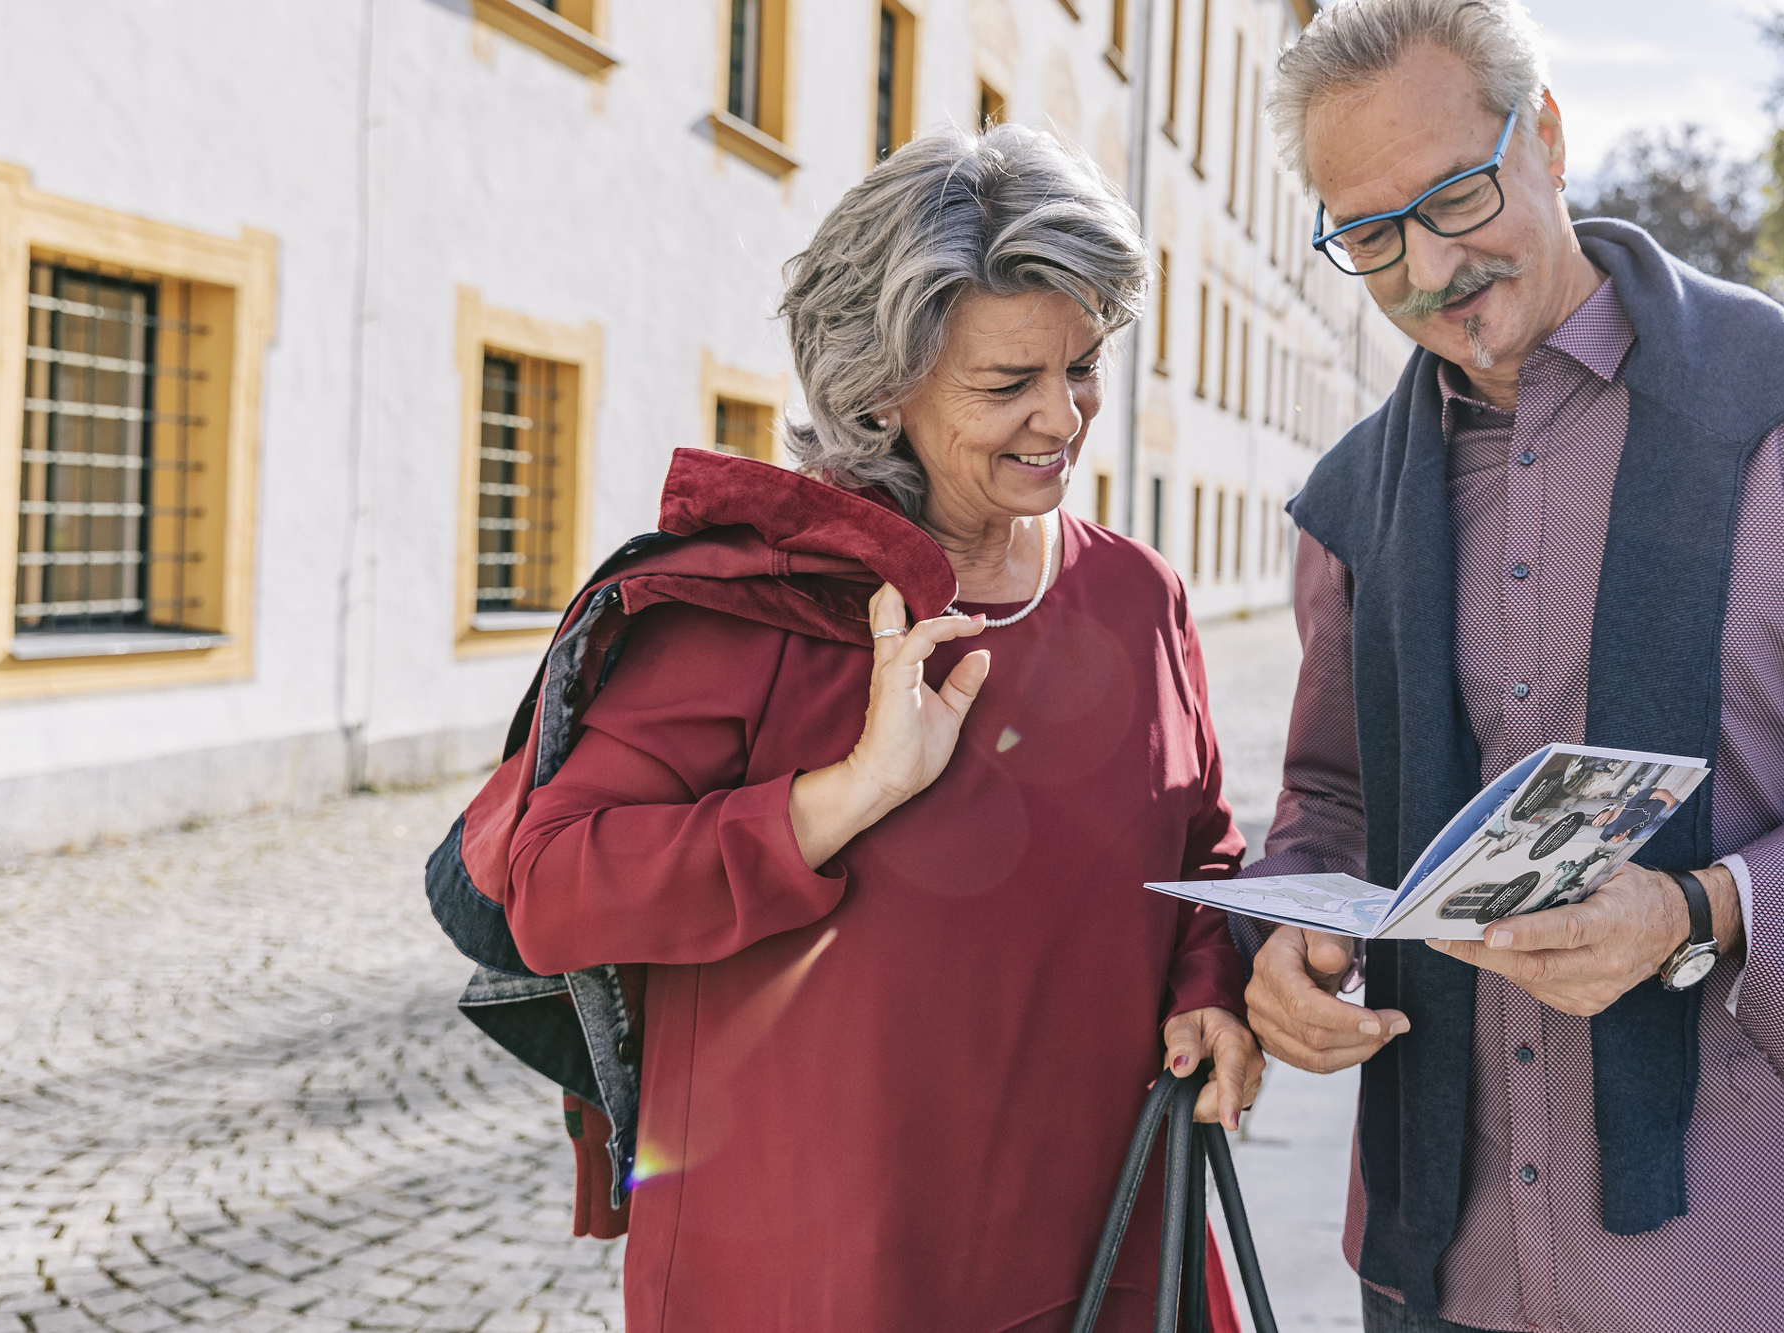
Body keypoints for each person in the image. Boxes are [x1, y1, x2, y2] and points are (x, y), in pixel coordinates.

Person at [1233, 3, 1784, 1332]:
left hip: (1731, 1265)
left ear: (1553, 138)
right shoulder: (1350, 502)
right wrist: (1291, 935)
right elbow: (1328, 800)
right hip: (1435, 1261)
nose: (1428, 267)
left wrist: (1699, 911)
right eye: (1370, 234)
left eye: (1457, 195)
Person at [502, 123, 1262, 1333]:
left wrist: (1210, 984)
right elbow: (551, 888)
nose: (1061, 418)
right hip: (824, 1274)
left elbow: (1201, 854)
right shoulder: (753, 605)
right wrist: (848, 793)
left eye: (1081, 367)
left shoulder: (1138, 595)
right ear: (876, 388)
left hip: (1108, 1239)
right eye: (1005, 384)